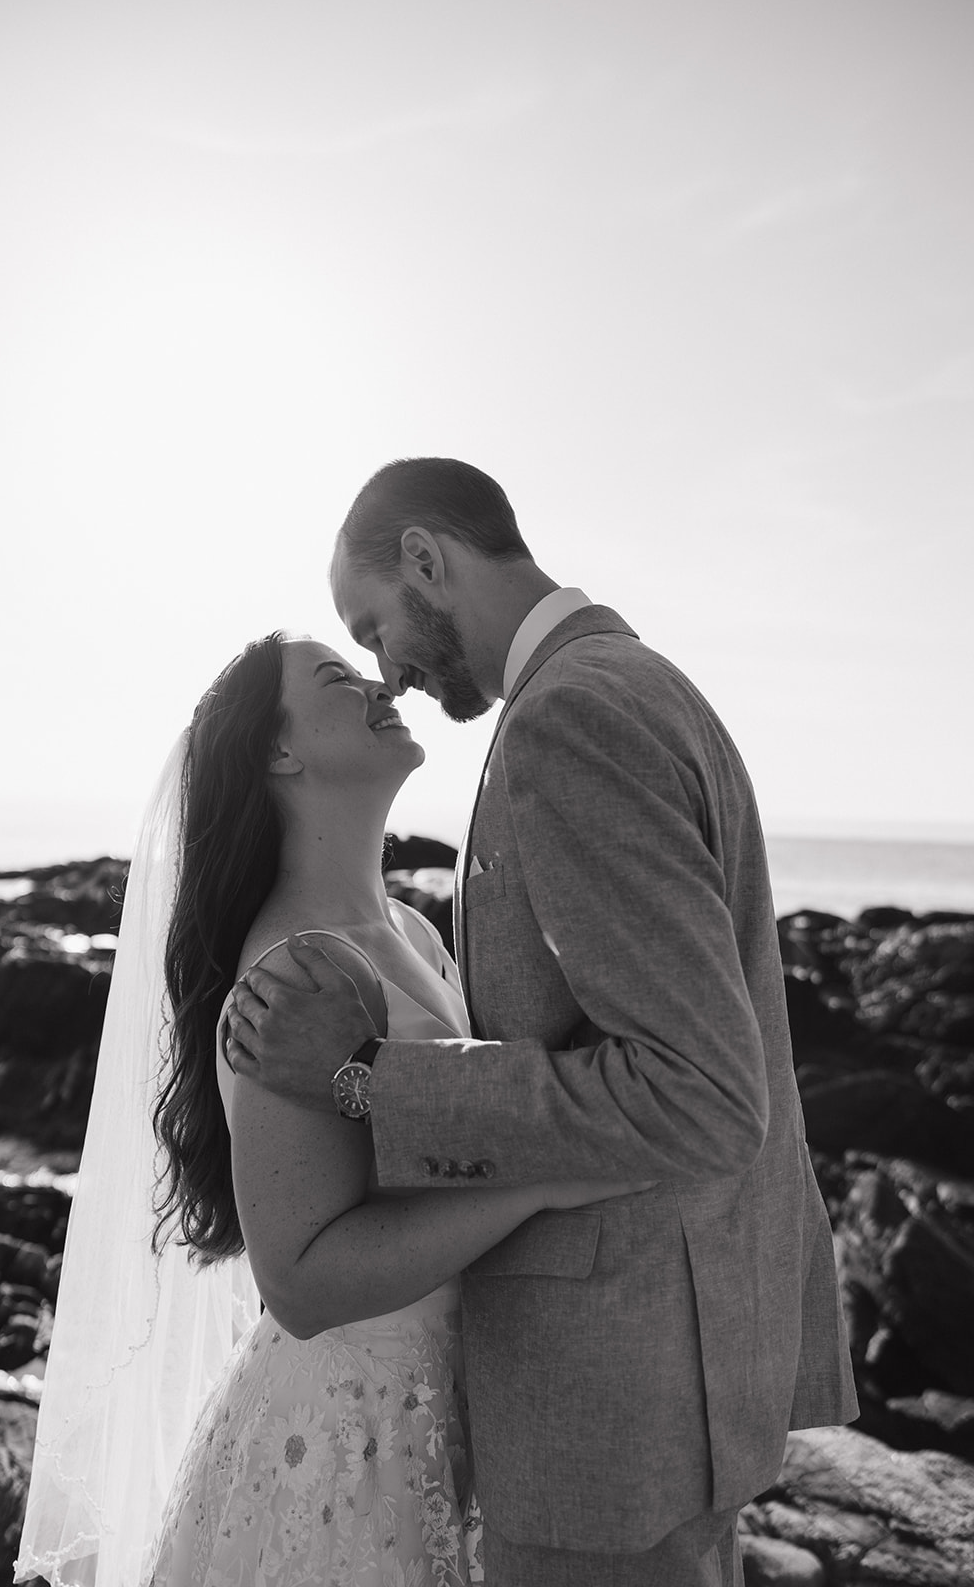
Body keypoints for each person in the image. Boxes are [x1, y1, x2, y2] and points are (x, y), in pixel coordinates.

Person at [226, 458, 860, 1587]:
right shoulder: (635, 681)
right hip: (680, 1373)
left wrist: (369, 1076)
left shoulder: (568, 718)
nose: (391, 672)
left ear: (427, 558)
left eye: (375, 627)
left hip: (611, 1405)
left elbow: (701, 1093)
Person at [14, 629, 629, 1587]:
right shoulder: (289, 974)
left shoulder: (417, 932)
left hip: (465, 1411)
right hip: (351, 1448)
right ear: (279, 753)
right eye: (339, 678)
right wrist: (541, 1188)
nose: (383, 682)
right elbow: (299, 1280)